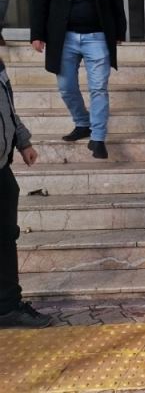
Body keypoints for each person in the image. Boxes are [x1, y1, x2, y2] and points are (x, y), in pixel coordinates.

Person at [30, 0, 127, 160]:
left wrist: (119, 30)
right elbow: (41, 1)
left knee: (98, 88)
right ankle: (82, 122)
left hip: (97, 36)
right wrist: (37, 34)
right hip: (64, 38)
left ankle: (98, 138)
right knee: (66, 87)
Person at [0, 58, 49, 328]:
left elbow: (8, 110)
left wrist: (23, 141)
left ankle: (7, 306)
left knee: (6, 236)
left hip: (1, 168)